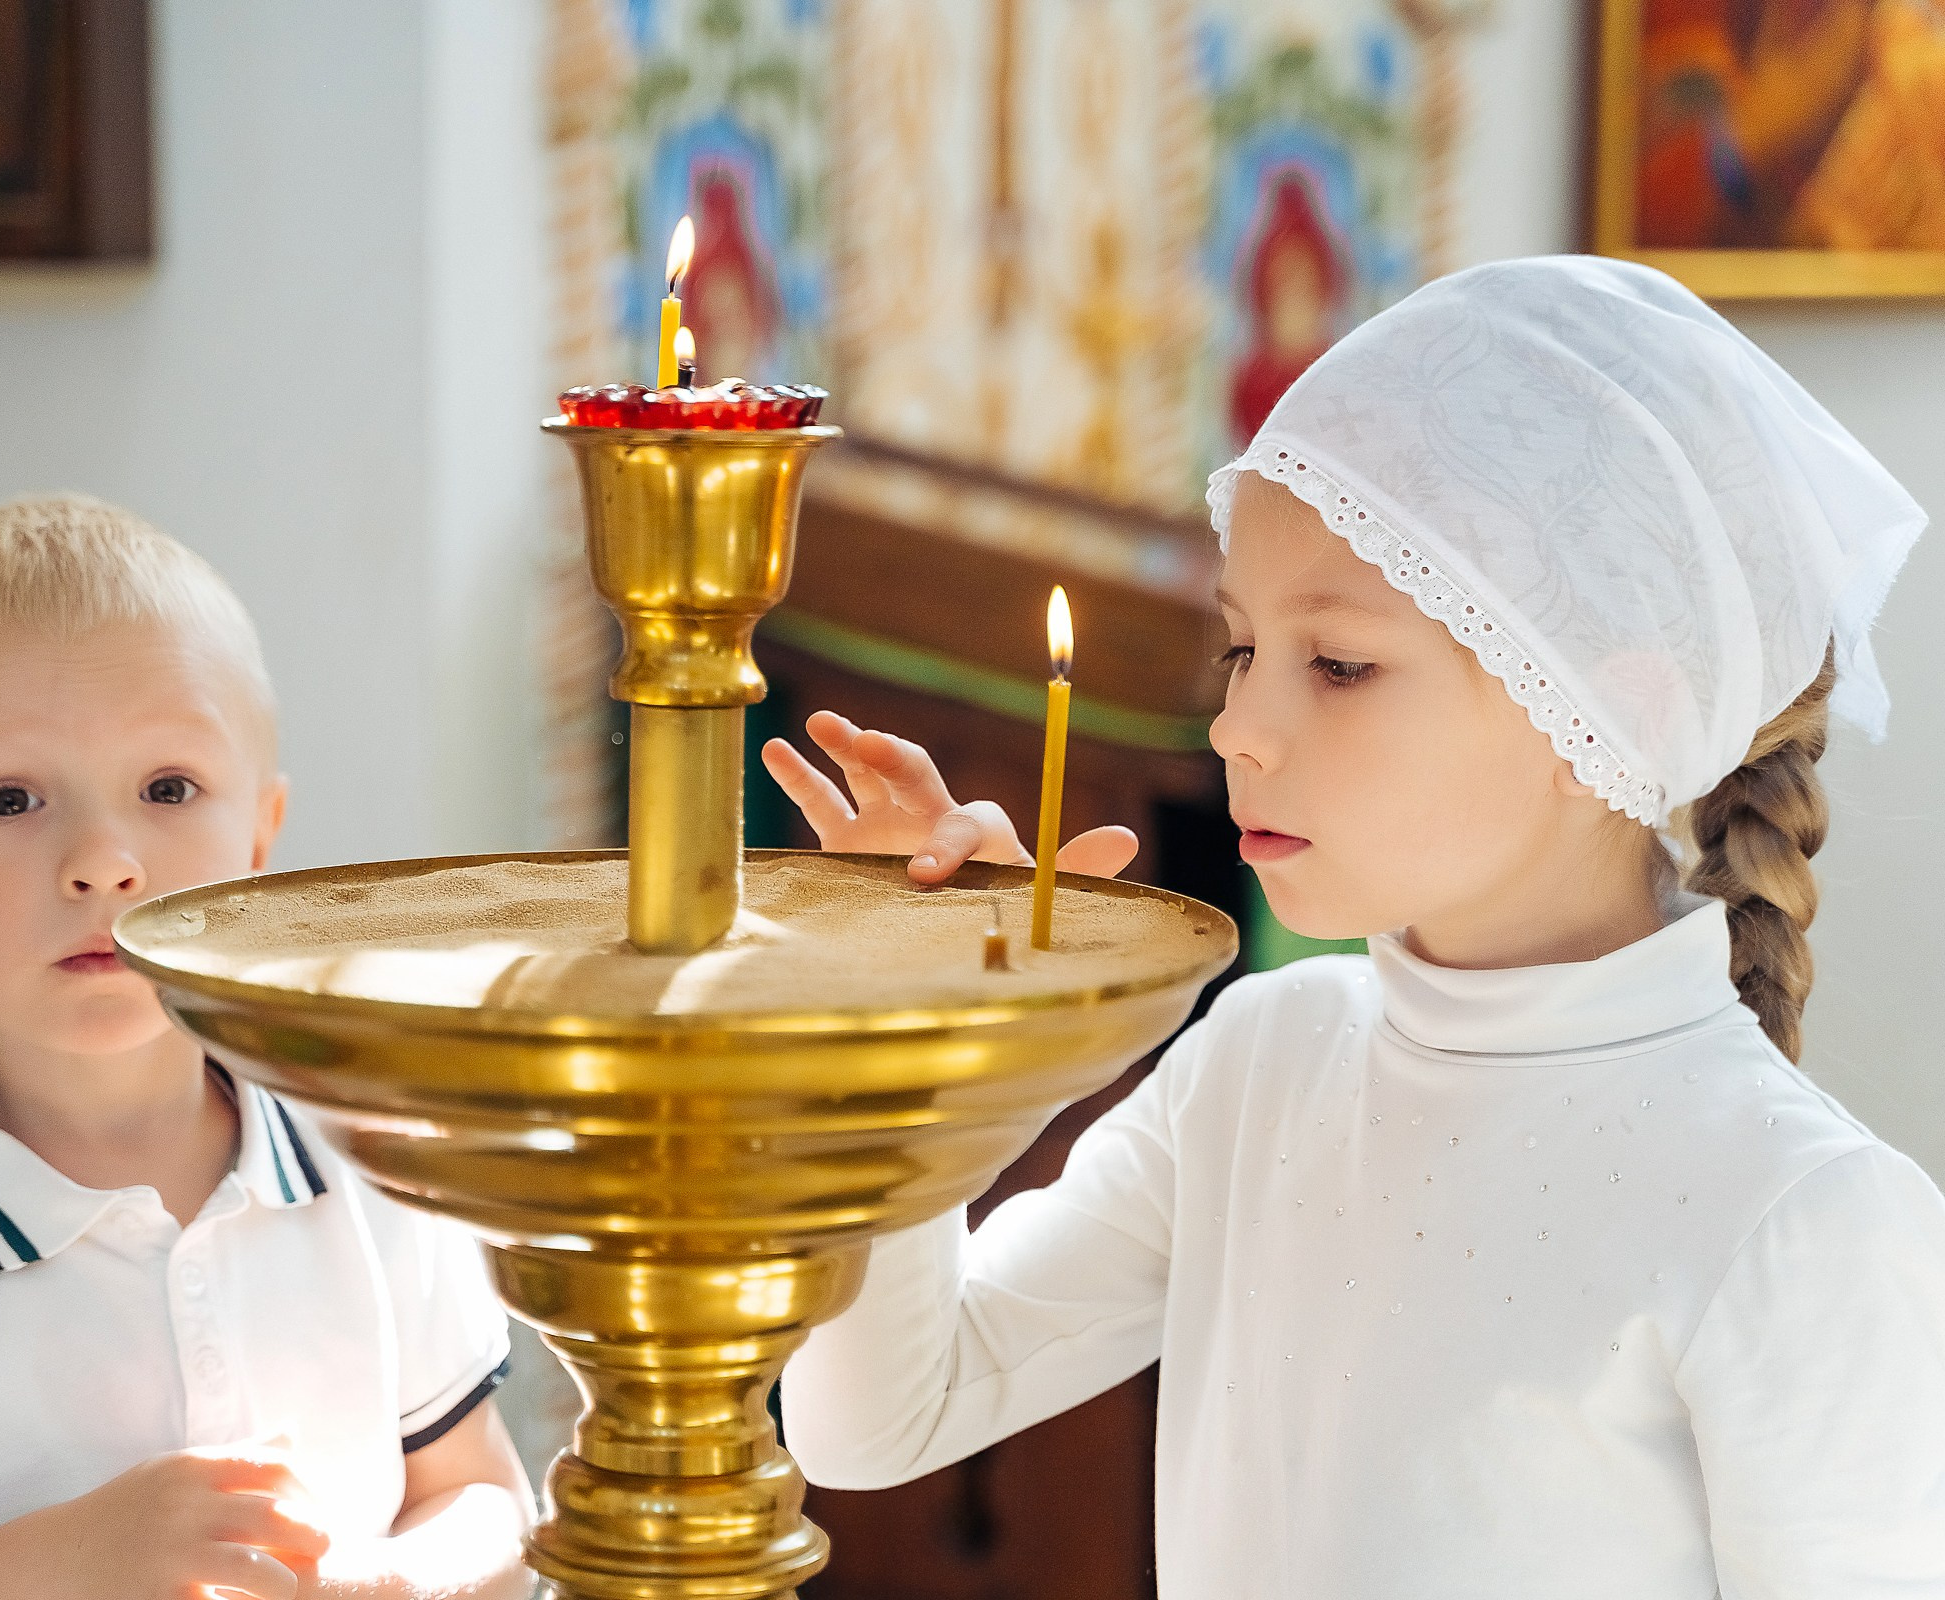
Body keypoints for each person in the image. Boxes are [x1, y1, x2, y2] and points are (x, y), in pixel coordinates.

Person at [762, 257, 1945, 1595]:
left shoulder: (1801, 1216)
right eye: (1241, 649)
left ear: (1606, 715)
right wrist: (907, 1032)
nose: (1237, 728)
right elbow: (872, 1420)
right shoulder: (1263, 1062)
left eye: (1339, 664)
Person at [0, 496, 532, 1600]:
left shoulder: (382, 1171)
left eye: (167, 789)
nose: (102, 861)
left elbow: (482, 1498)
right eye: (11, 798)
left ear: (259, 842)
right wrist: (65, 1564)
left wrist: (394, 1582)